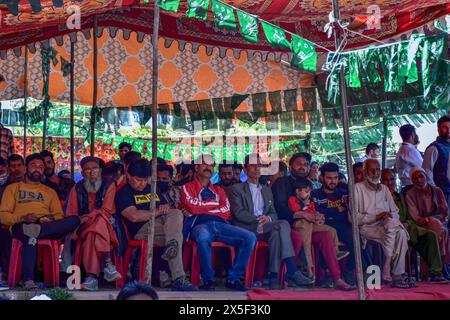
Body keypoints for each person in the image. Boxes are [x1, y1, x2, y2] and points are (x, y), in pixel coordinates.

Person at [229, 154, 314, 289]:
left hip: (266, 227)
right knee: (282, 225)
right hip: (246, 228)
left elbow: (273, 213)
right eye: (252, 165)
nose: (257, 169)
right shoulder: (236, 189)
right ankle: (291, 270)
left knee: (276, 231)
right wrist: (258, 220)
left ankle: (273, 276)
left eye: (259, 166)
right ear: (245, 169)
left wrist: (268, 218)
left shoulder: (267, 190)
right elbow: (238, 213)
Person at [272, 154, 354, 290]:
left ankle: (336, 278)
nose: (303, 167)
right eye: (299, 163)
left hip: (310, 224)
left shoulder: (309, 185)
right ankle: (304, 270)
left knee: (326, 236)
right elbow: (279, 209)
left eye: (306, 164)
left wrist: (318, 216)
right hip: (289, 226)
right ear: (291, 166)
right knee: (302, 230)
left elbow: (313, 207)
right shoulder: (282, 182)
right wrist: (301, 214)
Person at [0, 153, 79, 290]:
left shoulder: (50, 192)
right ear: (25, 168)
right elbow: (3, 216)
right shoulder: (12, 188)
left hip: (45, 226)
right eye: (33, 166)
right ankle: (29, 280)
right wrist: (22, 218)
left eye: (41, 167)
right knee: (28, 232)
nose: (37, 169)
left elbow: (59, 216)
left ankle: (36, 231)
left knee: (74, 220)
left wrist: (48, 219)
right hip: (21, 226)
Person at [116, 159, 196, 291]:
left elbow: (167, 208)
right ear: (128, 176)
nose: (142, 183)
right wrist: (158, 211)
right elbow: (134, 216)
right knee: (177, 236)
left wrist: (164, 208)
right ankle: (179, 278)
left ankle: (172, 248)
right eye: (138, 179)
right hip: (142, 230)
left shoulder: (153, 188)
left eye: (145, 179)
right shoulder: (123, 193)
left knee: (175, 213)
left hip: (163, 227)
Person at [180, 154, 256, 291]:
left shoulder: (219, 190)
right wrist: (214, 205)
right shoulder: (187, 187)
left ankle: (233, 279)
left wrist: (202, 207)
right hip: (199, 225)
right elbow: (192, 207)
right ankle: (208, 280)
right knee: (203, 237)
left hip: (221, 225)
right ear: (197, 167)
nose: (208, 167)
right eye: (205, 164)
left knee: (249, 237)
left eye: (211, 165)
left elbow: (226, 211)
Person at [381, 169, 448, 282]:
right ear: (381, 181)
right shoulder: (379, 197)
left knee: (431, 235)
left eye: (391, 179)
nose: (389, 183)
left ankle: (436, 273)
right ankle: (403, 274)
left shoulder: (400, 196)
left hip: (408, 227)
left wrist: (408, 223)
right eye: (385, 180)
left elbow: (410, 218)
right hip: (390, 229)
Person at [65, 156, 121, 291]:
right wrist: (76, 225)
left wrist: (87, 217)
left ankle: (92, 277)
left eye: (94, 168)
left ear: (100, 171)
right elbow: (71, 213)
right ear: (83, 173)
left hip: (108, 225)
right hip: (84, 227)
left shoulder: (109, 184)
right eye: (87, 170)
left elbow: (107, 210)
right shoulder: (77, 188)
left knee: (98, 224)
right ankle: (108, 265)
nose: (92, 172)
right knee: (93, 229)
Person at [354, 159, 410, 288]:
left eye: (378, 169)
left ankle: (391, 269)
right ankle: (393, 271)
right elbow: (354, 218)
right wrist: (376, 217)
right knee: (399, 232)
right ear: (365, 171)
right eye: (371, 170)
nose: (375, 173)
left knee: (397, 230)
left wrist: (389, 217)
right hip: (367, 228)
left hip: (386, 226)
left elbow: (395, 211)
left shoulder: (384, 189)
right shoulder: (357, 189)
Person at [288, 176, 348, 280]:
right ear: (298, 191)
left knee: (331, 230)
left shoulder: (310, 202)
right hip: (300, 224)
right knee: (306, 244)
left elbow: (313, 212)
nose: (309, 194)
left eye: (309, 192)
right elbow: (296, 211)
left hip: (312, 224)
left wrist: (319, 217)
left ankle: (336, 250)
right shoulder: (293, 200)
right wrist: (304, 206)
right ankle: (308, 268)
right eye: (306, 192)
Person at [311, 162, 355, 284]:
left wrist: (330, 213)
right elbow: (318, 212)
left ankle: (349, 271)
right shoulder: (315, 194)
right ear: (322, 178)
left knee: (355, 235)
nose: (333, 181)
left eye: (335, 178)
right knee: (326, 236)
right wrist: (337, 210)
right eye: (329, 178)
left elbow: (349, 213)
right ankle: (326, 272)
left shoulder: (343, 193)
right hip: (325, 226)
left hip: (343, 225)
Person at [405, 167, 450, 275]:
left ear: (426, 176)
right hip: (421, 226)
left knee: (439, 230)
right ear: (412, 181)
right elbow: (415, 216)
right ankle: (442, 267)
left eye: (421, 176)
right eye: (415, 178)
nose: (419, 180)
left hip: (439, 223)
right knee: (441, 232)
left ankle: (434, 269)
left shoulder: (437, 191)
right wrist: (427, 220)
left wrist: (434, 219)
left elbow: (445, 211)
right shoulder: (410, 194)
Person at [423, 115, 450, 213]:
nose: (448, 130)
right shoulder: (433, 148)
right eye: (445, 127)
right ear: (438, 129)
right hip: (442, 194)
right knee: (443, 223)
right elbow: (427, 172)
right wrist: (436, 194)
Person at [395, 124, 422, 189]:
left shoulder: (402, 149)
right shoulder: (410, 150)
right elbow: (423, 167)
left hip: (406, 186)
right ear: (412, 134)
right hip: (412, 186)